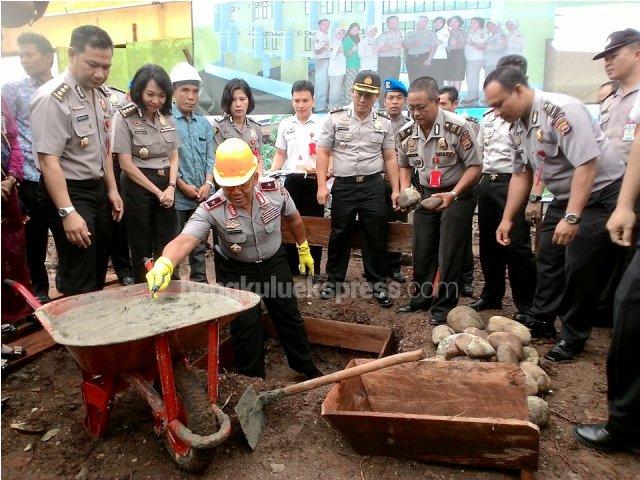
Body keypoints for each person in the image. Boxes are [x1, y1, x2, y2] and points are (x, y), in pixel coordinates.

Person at [146, 138, 322, 380]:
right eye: (229, 187)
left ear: (254, 177)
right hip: (238, 272)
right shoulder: (212, 208)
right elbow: (185, 240)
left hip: (274, 264)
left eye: (241, 184)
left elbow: (294, 218)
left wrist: (303, 247)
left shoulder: (275, 191)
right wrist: (166, 262)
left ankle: (305, 368)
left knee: (289, 317)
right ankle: (252, 380)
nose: (235, 192)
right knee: (245, 328)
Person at [484, 66, 626, 361]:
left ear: (519, 91)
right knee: (548, 257)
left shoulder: (561, 111)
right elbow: (521, 174)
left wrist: (572, 217)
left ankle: (573, 336)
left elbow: (587, 165)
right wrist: (508, 217)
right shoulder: (518, 125)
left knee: (578, 266)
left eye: (499, 104)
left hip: (600, 195)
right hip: (564, 196)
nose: (496, 112)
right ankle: (542, 320)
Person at [30, 25, 122, 296]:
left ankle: (94, 325)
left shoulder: (99, 94)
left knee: (98, 263)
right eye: (93, 65)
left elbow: (104, 146)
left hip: (97, 189)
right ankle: (74, 333)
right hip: (68, 191)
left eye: (106, 67)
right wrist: (68, 213)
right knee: (78, 269)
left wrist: (112, 189)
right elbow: (48, 161)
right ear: (72, 54)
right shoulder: (52, 97)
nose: (100, 74)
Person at [574, 94, 640, 452]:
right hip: (622, 199)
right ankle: (627, 423)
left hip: (605, 196)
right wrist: (627, 203)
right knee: (628, 309)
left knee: (629, 306)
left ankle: (626, 424)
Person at [395, 76, 481, 325]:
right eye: (411, 107)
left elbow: (475, 167)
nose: (415, 112)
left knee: (449, 249)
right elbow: (403, 164)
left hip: (458, 192)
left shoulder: (458, 127)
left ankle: (444, 305)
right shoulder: (405, 133)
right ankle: (421, 298)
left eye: (421, 107)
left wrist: (453, 195)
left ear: (436, 102)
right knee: (422, 246)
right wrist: (403, 189)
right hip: (427, 193)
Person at [316, 71, 400, 307]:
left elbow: (390, 157)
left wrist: (395, 189)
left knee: (375, 234)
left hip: (373, 185)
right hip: (344, 186)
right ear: (352, 92)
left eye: (369, 96)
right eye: (359, 93)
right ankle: (333, 280)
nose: (363, 99)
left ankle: (377, 283)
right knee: (340, 233)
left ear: (377, 98)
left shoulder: (383, 122)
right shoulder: (335, 119)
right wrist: (322, 185)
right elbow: (322, 152)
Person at [468, 56, 536, 316]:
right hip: (489, 183)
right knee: (489, 244)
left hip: (514, 182)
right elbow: (481, 154)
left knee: (517, 246)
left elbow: (531, 162)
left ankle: (526, 305)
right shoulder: (488, 117)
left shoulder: (526, 117)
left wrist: (534, 197)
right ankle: (491, 294)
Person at [112, 64, 180, 284]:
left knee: (168, 240)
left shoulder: (167, 118)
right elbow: (125, 164)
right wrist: (157, 192)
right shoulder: (123, 118)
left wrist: (170, 187)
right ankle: (144, 287)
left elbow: (174, 156)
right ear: (140, 91)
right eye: (150, 94)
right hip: (138, 184)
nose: (156, 100)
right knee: (141, 243)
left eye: (161, 95)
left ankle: (171, 284)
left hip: (166, 184)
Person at [2, 32, 54, 303]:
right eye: (20, 55)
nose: (24, 60)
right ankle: (39, 292)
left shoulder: (62, 88)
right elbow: (9, 134)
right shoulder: (12, 90)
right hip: (31, 177)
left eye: (29, 54)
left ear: (48, 57)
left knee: (66, 231)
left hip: (61, 176)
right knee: (34, 239)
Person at [270, 80, 323, 283]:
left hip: (313, 180)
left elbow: (328, 154)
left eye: (305, 100)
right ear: (292, 101)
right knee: (291, 223)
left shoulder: (322, 124)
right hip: (291, 181)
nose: (301, 105)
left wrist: (323, 173)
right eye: (297, 101)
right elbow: (280, 154)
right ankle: (292, 266)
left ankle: (314, 269)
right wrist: (271, 174)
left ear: (313, 101)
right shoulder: (286, 124)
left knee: (315, 224)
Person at [170, 62, 215, 284]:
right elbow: (167, 160)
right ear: (173, 92)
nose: (191, 96)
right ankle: (174, 288)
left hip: (202, 197)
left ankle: (201, 284)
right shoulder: (166, 122)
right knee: (176, 243)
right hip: (178, 198)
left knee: (199, 245)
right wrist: (181, 185)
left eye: (195, 91)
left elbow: (210, 156)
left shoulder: (204, 124)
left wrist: (208, 183)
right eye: (185, 90)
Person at [437, 85, 476, 298]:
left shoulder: (467, 127)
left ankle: (466, 279)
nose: (440, 107)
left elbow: (473, 161)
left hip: (462, 188)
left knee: (461, 236)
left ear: (454, 104)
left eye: (444, 103)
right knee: (443, 238)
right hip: (439, 188)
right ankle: (439, 281)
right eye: (438, 103)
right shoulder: (432, 127)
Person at [2, 96, 33, 325]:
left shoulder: (2, 101)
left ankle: (21, 308)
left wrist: (11, 177)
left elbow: (13, 142)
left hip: (7, 188)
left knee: (15, 249)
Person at [595, 29, 640, 165]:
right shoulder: (609, 100)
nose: (607, 63)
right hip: (607, 180)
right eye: (605, 59)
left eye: (613, 56)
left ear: (637, 55)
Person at [382, 78, 411, 283]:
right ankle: (376, 266)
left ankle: (394, 267)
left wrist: (403, 187)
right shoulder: (376, 121)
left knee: (398, 222)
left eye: (398, 98)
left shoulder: (411, 125)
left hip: (401, 181)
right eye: (390, 98)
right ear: (384, 101)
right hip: (379, 180)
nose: (394, 102)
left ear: (405, 101)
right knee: (376, 224)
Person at [105, 85, 134, 286]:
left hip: (141, 174)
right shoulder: (118, 112)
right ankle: (123, 269)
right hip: (114, 169)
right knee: (118, 222)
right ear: (128, 94)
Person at [213, 79, 263, 173]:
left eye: (242, 99)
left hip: (251, 181)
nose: (238, 104)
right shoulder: (219, 126)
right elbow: (216, 161)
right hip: (228, 180)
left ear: (249, 100)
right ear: (227, 102)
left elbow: (259, 159)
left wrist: (259, 180)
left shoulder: (255, 127)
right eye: (233, 100)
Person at [376, 16, 404, 103]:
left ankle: (392, 100)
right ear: (387, 24)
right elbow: (378, 48)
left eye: (395, 22)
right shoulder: (384, 35)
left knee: (394, 80)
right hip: (386, 60)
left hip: (396, 59)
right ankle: (382, 102)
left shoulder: (399, 33)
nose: (393, 24)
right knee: (386, 81)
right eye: (391, 22)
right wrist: (392, 47)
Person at [404, 16, 437, 84]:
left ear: (426, 23)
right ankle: (413, 94)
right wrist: (412, 44)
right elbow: (405, 46)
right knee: (412, 79)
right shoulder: (410, 33)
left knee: (423, 80)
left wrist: (429, 59)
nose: (421, 23)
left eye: (424, 21)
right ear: (416, 22)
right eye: (419, 21)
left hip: (423, 58)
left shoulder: (430, 33)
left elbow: (433, 47)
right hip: (411, 58)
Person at [463, 17, 488, 106]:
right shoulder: (470, 32)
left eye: (474, 22)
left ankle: (472, 97)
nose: (472, 24)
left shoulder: (482, 33)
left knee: (473, 77)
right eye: (471, 22)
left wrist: (471, 43)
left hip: (476, 58)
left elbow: (482, 46)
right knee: (470, 77)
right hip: (469, 58)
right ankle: (472, 96)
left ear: (479, 24)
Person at [313, 19, 331, 113]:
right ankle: (319, 107)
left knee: (325, 85)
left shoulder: (327, 35)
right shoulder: (317, 35)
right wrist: (325, 46)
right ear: (319, 25)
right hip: (321, 61)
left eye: (328, 24)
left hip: (328, 60)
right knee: (320, 84)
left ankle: (323, 105)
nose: (326, 26)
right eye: (324, 24)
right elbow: (317, 51)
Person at [445, 16, 466, 92]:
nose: (453, 23)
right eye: (451, 22)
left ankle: (456, 97)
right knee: (449, 76)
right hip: (448, 55)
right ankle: (452, 95)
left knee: (457, 77)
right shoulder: (447, 32)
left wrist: (455, 44)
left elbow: (461, 43)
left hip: (458, 55)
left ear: (459, 23)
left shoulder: (462, 32)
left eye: (455, 21)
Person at [342, 23, 361, 105]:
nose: (355, 31)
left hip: (358, 65)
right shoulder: (347, 40)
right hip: (350, 65)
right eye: (353, 29)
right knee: (349, 85)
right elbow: (345, 54)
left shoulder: (358, 39)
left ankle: (353, 101)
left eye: (357, 29)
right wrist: (353, 50)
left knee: (355, 85)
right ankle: (348, 102)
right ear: (349, 30)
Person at [328, 28, 347, 110]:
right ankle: (332, 107)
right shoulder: (332, 43)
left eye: (342, 33)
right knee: (334, 91)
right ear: (335, 34)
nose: (341, 35)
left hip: (341, 71)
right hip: (335, 71)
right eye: (339, 33)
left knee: (339, 90)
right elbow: (332, 56)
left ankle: (337, 107)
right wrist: (337, 51)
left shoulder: (342, 43)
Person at [431, 16, 449, 88]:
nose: (437, 24)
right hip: (433, 57)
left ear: (443, 24)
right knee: (434, 76)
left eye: (440, 22)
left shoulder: (445, 31)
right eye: (436, 22)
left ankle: (440, 92)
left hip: (440, 57)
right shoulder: (433, 31)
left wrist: (436, 41)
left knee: (439, 76)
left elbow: (444, 44)